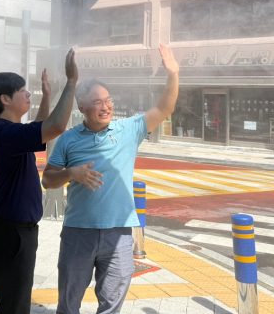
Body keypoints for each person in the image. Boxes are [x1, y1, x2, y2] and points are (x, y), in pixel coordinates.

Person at [41, 44, 179, 314]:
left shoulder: (129, 129)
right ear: (82, 107)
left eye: (108, 100)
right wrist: (71, 173)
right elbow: (48, 180)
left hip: (120, 233)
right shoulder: (68, 139)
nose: (106, 107)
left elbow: (165, 108)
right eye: (97, 102)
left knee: (112, 305)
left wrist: (173, 74)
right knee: (68, 303)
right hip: (79, 231)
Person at [0, 48, 78, 314]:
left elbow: (40, 128)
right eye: (23, 91)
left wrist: (46, 95)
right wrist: (71, 82)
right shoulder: (5, 134)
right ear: (5, 99)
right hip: (12, 235)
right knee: (15, 308)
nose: (28, 94)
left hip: (14, 233)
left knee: (16, 304)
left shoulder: (9, 133)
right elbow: (55, 127)